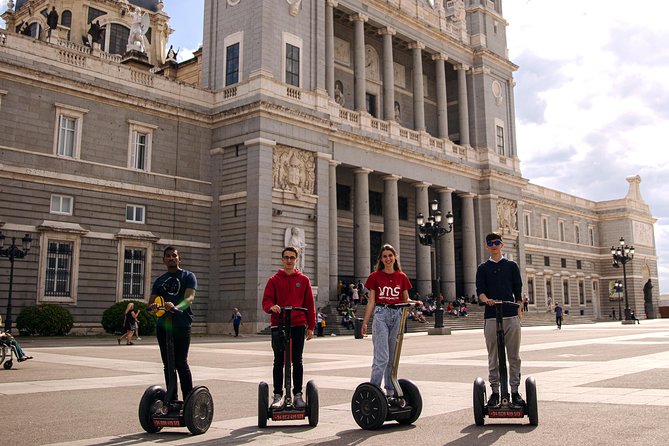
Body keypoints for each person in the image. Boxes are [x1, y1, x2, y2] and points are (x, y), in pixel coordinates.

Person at [360, 244, 422, 403]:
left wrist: (415, 302)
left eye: (390, 255)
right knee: (382, 356)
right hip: (381, 313)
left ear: (395, 257)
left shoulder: (402, 277)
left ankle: (389, 391)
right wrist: (365, 322)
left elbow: (405, 299)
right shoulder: (375, 276)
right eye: (384, 256)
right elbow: (372, 301)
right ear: (381, 259)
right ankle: (373, 391)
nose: (388, 259)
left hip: (397, 315)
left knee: (392, 357)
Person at [262, 246, 316, 410]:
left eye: (292, 257)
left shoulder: (304, 280)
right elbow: (266, 301)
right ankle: (278, 395)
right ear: (282, 259)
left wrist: (311, 326)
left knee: (297, 360)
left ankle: (298, 394)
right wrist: (272, 307)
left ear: (297, 259)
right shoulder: (273, 280)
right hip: (279, 325)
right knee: (278, 361)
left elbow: (309, 305)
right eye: (286, 257)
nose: (289, 260)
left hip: (298, 324)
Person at [476, 233, 524, 407]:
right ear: (487, 246)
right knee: (493, 356)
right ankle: (495, 392)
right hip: (491, 316)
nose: (494, 245)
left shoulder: (511, 265)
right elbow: (480, 290)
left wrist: (519, 308)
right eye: (490, 243)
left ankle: (515, 391)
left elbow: (518, 289)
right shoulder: (483, 268)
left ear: (502, 245)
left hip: (510, 314)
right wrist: (485, 299)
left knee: (513, 356)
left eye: (497, 242)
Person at [149, 247, 197, 402]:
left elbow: (189, 298)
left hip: (182, 324)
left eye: (174, 256)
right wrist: (154, 307)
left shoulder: (188, 276)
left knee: (181, 363)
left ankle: (189, 399)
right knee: (168, 364)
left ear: (179, 259)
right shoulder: (159, 280)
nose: (171, 258)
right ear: (164, 260)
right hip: (164, 325)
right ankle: (172, 399)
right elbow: (151, 302)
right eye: (168, 256)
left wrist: (177, 307)